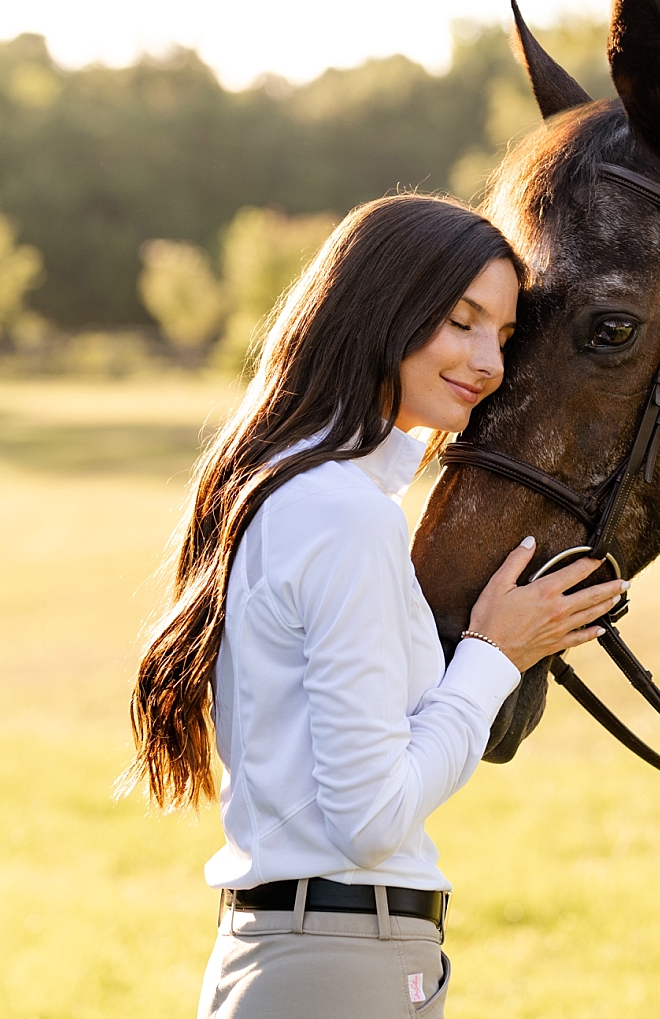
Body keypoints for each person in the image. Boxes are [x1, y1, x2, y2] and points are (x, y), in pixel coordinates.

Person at [124, 193, 625, 1018]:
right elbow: (371, 816)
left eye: (501, 335)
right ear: (380, 307)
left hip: (320, 957)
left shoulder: (301, 490)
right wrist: (493, 658)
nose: (489, 362)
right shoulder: (340, 511)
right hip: (336, 965)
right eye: (461, 321)